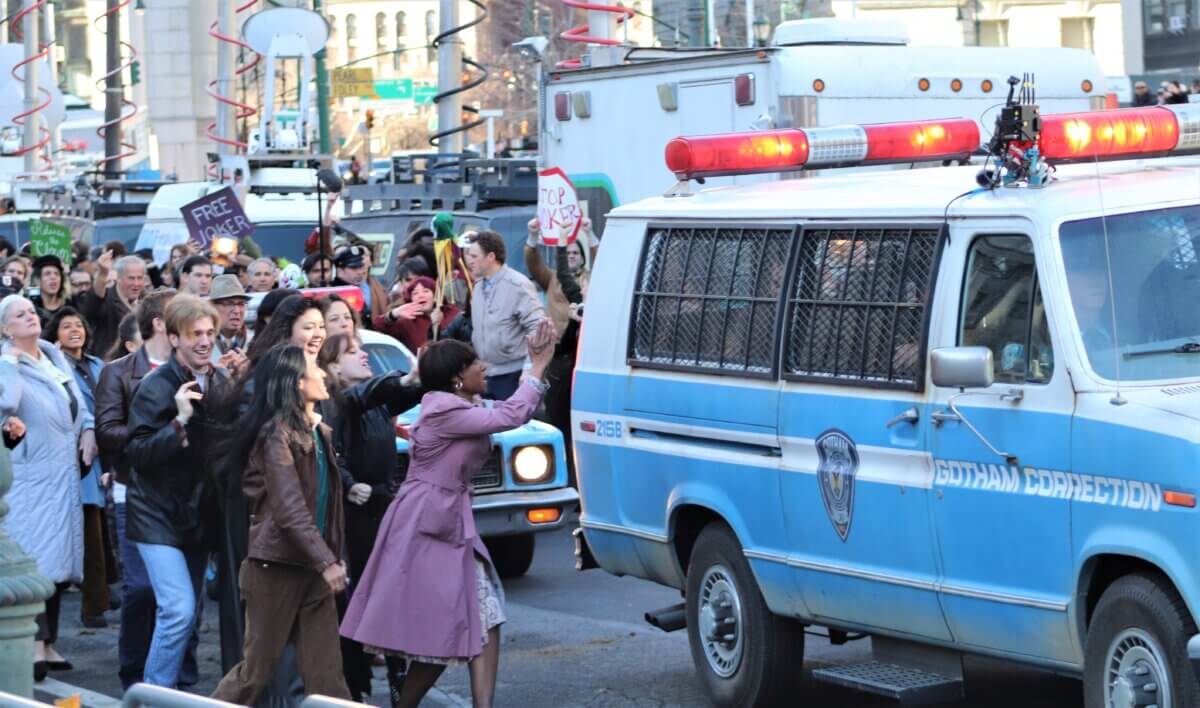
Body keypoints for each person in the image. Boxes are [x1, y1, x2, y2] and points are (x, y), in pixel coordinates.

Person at [341, 325, 554, 708]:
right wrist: (537, 366)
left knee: (482, 617)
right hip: (428, 523)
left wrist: (532, 365)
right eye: (476, 363)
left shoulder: (455, 405)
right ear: (459, 377)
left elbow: (504, 411)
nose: (484, 368)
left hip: (444, 520)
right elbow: (509, 415)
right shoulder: (443, 409)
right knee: (443, 632)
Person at [210, 345, 351, 702]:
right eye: (313, 368)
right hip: (275, 567)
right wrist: (326, 560)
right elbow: (289, 509)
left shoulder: (321, 431)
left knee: (327, 678)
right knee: (254, 673)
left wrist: (329, 557)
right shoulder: (276, 435)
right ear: (295, 383)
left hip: (313, 568)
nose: (322, 374)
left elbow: (323, 506)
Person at [214, 294, 326, 676]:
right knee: (261, 641)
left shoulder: (313, 375)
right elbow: (257, 458)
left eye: (320, 327)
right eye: (308, 327)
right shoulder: (266, 378)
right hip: (261, 517)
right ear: (285, 329)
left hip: (291, 521)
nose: (317, 335)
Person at [126, 294, 231, 688]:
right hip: (155, 514)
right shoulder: (156, 386)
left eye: (209, 333)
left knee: (189, 614)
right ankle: (152, 695)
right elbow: (135, 452)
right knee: (179, 610)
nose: (204, 341)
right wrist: (179, 423)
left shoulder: (220, 380)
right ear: (173, 338)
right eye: (194, 335)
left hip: (197, 515)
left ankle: (167, 690)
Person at [317, 333, 423, 701]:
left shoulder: (376, 400)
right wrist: (348, 483)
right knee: (357, 599)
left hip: (382, 506)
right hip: (354, 515)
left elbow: (400, 395)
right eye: (351, 352)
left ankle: (397, 673)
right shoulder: (335, 401)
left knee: (387, 596)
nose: (362, 354)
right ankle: (354, 684)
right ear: (332, 366)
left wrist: (419, 380)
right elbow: (333, 449)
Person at [95, 290, 190, 689]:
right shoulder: (118, 372)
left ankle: (180, 678)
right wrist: (152, 431)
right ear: (161, 325)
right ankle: (134, 674)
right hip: (132, 490)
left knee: (183, 598)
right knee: (142, 589)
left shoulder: (191, 369)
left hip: (184, 495)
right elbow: (107, 431)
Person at [0, 294, 96, 682]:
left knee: (59, 562)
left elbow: (77, 402)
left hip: (64, 474)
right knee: (36, 560)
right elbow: (6, 403)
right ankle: (35, 644)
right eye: (18, 314)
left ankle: (50, 641)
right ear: (5, 327)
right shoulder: (7, 363)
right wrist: (8, 362)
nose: (29, 317)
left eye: (30, 311)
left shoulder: (53, 355)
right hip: (31, 478)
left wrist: (88, 431)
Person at [44, 307, 112, 628]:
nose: (75, 330)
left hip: (106, 451)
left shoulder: (99, 364)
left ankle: (102, 594)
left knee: (103, 528)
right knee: (90, 530)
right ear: (54, 334)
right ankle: (92, 606)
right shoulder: (52, 367)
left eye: (79, 325)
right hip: (76, 456)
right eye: (66, 326)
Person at [464, 230, 547, 399]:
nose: (469, 261)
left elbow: (537, 327)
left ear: (491, 257)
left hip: (513, 376)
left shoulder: (518, 285)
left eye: (474, 256)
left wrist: (530, 369)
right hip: (485, 376)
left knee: (512, 424)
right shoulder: (478, 288)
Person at [79, 251, 145, 358]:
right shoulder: (108, 298)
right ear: (118, 278)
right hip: (108, 366)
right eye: (131, 278)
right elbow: (92, 305)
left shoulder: (147, 302)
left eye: (140, 278)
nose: (136, 283)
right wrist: (103, 273)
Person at [374, 276, 459, 353]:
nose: (420, 296)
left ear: (435, 295)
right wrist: (393, 314)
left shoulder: (452, 314)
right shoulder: (406, 322)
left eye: (426, 291)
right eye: (415, 293)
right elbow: (378, 327)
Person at [333, 245, 388, 327]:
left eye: (361, 266)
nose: (360, 272)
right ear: (340, 271)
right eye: (354, 268)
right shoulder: (334, 293)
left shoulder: (366, 286)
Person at [208, 274, 253, 358]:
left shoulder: (255, 342)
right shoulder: (200, 343)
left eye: (241, 304)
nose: (237, 311)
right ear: (212, 307)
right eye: (229, 304)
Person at [30, 255, 73, 325]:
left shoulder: (71, 304)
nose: (53, 277)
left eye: (57, 274)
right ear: (38, 280)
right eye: (47, 274)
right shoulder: (30, 306)